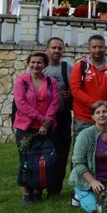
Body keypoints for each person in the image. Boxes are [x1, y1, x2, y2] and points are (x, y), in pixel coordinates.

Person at [13, 51, 60, 205]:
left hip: (46, 128)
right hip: (26, 128)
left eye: (39, 62)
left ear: (45, 65)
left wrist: (46, 123)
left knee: (43, 160)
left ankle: (37, 191)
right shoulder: (22, 81)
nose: (36, 65)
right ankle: (26, 194)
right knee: (26, 160)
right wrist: (42, 120)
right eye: (33, 62)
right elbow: (21, 104)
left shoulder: (51, 82)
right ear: (28, 63)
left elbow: (54, 103)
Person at [68, 101, 107, 213]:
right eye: (98, 112)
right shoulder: (85, 135)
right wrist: (92, 181)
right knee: (97, 209)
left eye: (105, 111)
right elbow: (78, 163)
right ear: (93, 117)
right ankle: (77, 195)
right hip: (87, 180)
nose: (101, 115)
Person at [69, 34, 107, 137]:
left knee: (106, 150)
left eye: (100, 47)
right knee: (82, 149)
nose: (97, 50)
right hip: (84, 117)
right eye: (94, 47)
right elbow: (75, 90)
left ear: (105, 48)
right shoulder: (80, 66)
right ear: (89, 48)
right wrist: (95, 106)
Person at [42, 37, 73, 199]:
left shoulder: (67, 68)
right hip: (42, 118)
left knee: (61, 153)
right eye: (53, 47)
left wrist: (70, 95)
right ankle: (38, 186)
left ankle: (55, 190)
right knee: (43, 154)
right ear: (47, 49)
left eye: (59, 48)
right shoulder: (40, 67)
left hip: (62, 117)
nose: (56, 51)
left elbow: (76, 87)